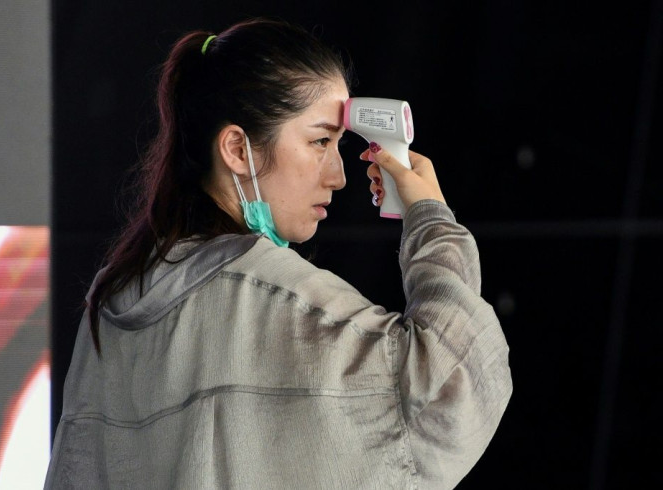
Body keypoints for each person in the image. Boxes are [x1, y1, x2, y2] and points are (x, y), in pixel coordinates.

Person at [44, 17, 512, 490]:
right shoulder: (279, 298)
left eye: (339, 144)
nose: (338, 175)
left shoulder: (110, 302)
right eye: (319, 141)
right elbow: (453, 383)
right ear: (235, 147)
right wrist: (431, 219)